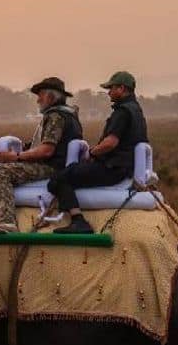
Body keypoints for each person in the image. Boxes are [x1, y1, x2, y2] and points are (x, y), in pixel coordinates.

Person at [47, 71, 149, 234]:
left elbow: (111, 143)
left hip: (112, 168)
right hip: (123, 168)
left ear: (122, 88)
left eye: (111, 88)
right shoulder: (136, 110)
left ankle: (78, 221)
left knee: (58, 179)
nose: (108, 92)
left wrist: (92, 153)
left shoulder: (122, 112)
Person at [0, 77, 83, 234]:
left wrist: (16, 156)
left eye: (41, 95)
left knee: (2, 171)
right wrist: (26, 148)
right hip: (61, 165)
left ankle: (5, 221)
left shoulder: (56, 116)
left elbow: (47, 150)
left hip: (51, 167)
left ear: (51, 96)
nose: (38, 100)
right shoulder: (69, 115)